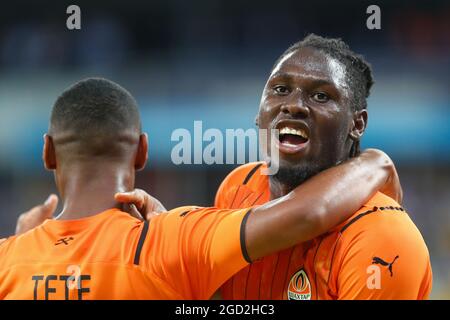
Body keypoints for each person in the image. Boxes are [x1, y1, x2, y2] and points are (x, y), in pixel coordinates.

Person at [0, 77, 398, 300]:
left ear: (48, 153)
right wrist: (376, 162)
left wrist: (26, 245)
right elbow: (308, 212)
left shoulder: (8, 260)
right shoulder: (175, 240)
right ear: (142, 151)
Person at [213, 34, 432, 299]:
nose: (293, 106)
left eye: (320, 95)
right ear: (258, 113)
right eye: (280, 89)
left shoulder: (384, 236)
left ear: (357, 124)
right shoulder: (238, 187)